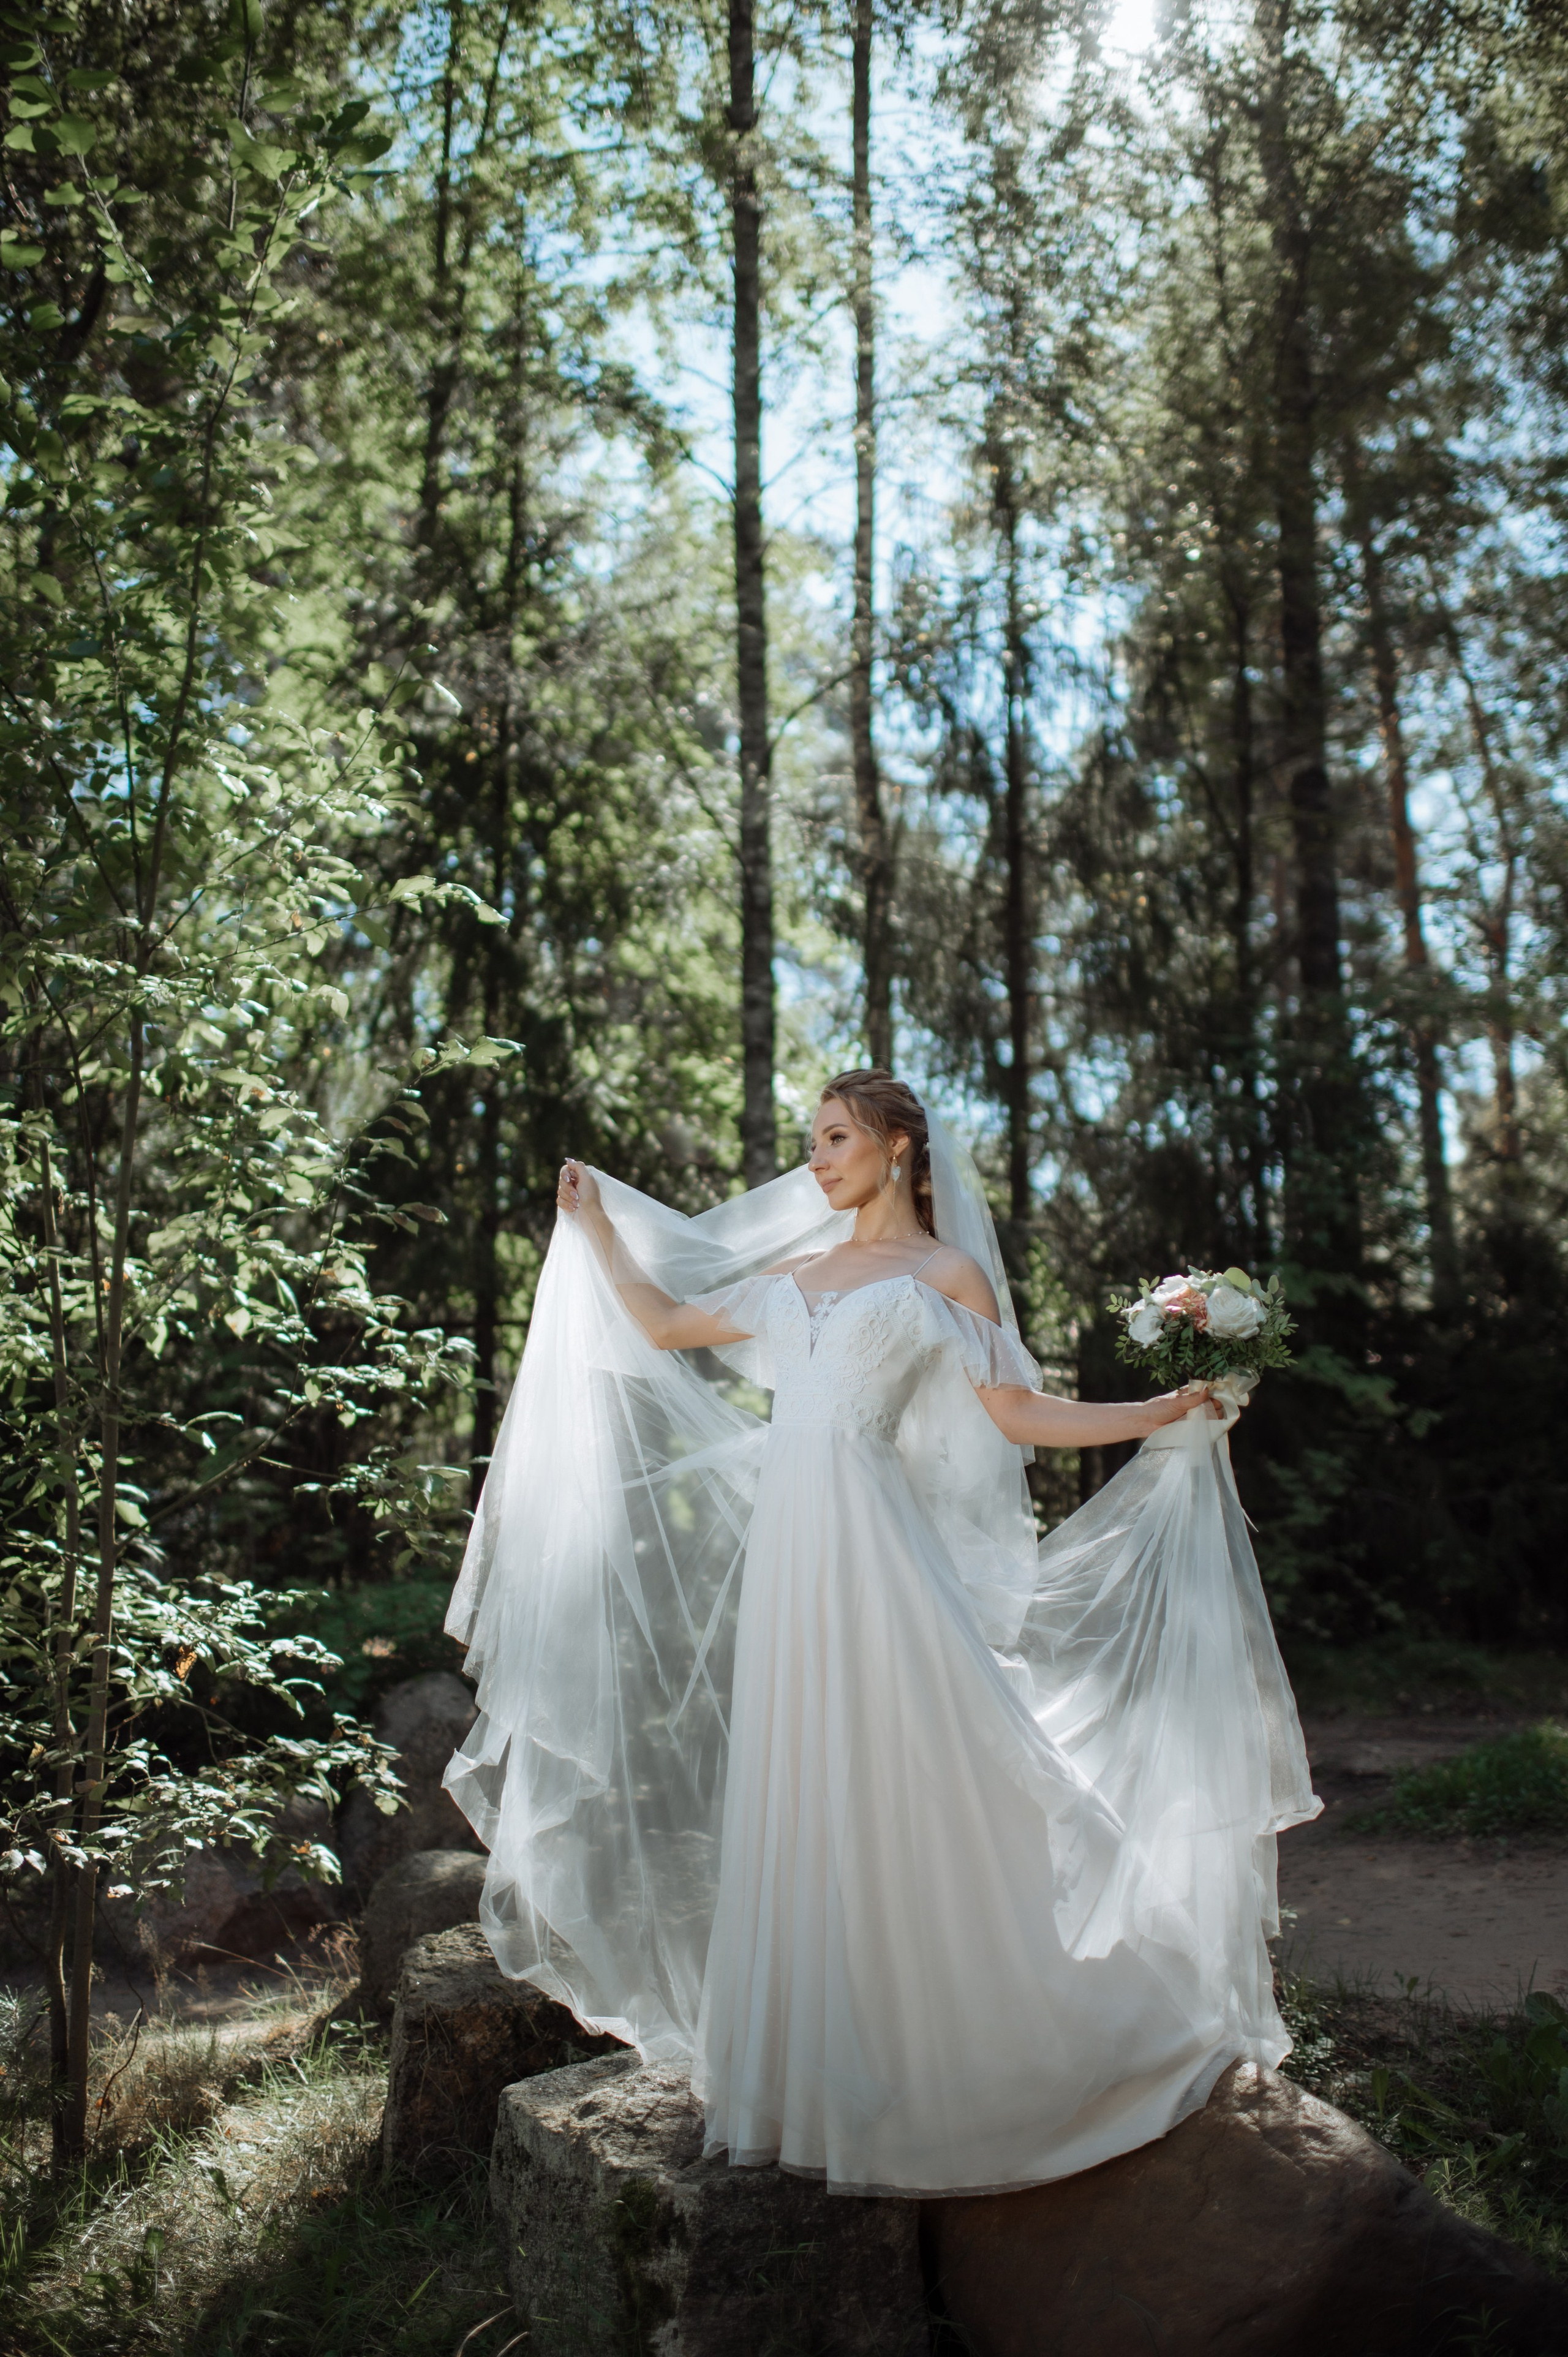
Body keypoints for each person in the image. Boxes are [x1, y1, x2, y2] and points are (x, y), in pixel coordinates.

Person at [443, 1068, 1319, 2197]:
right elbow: (659, 1324)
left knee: (926, 1767)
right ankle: (821, 2071)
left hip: (875, 1554)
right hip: (791, 1566)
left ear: (901, 1148)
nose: (816, 1159)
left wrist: (1157, 1413)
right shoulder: (794, 1276)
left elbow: (1017, 1415)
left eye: (835, 1138)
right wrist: (599, 1225)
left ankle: (991, 2037)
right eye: (812, 1141)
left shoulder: (944, 1275)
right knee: (805, 1783)